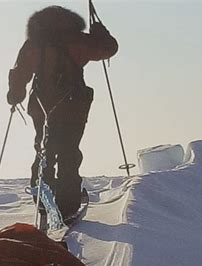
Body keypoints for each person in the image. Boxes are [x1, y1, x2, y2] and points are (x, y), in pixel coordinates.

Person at [7, 5, 118, 219]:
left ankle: (43, 202)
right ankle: (67, 206)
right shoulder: (78, 41)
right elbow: (108, 49)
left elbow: (20, 72)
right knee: (69, 152)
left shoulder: (33, 44)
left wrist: (15, 95)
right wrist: (100, 32)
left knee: (44, 151)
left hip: (41, 108)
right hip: (73, 108)